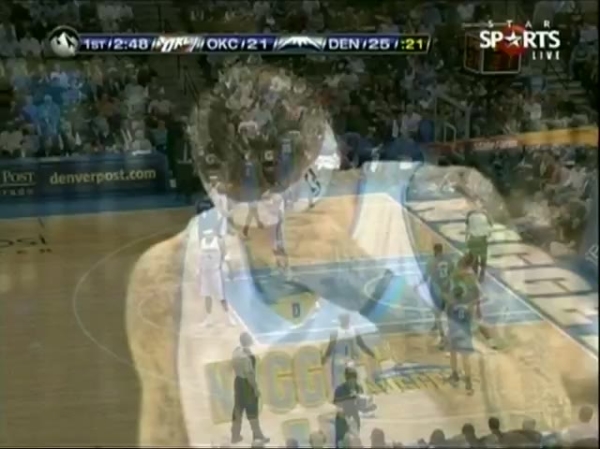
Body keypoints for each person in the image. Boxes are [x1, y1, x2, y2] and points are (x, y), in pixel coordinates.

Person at [125, 63, 585, 446]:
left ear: (327, 166)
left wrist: (387, 299)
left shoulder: (438, 216)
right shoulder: (168, 279)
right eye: (252, 222)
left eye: (295, 209)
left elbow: (545, 409)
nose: (277, 237)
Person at [322, 313, 377, 410]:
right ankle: (358, 403)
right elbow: (361, 344)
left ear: (340, 320)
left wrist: (324, 358)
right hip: (349, 361)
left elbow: (330, 348)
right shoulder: (354, 330)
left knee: (340, 383)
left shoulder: (336, 332)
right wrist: (370, 352)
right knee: (354, 382)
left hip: (339, 361)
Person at [231, 332, 269, 445]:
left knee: (238, 409)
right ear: (247, 341)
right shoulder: (246, 357)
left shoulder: (236, 351)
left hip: (238, 382)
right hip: (247, 384)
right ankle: (257, 436)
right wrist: (255, 388)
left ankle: (235, 435)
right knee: (252, 411)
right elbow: (250, 374)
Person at [414, 243, 454, 348]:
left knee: (437, 314)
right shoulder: (449, 260)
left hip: (437, 291)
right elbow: (453, 274)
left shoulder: (431, 262)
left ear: (434, 251)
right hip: (448, 289)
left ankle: (443, 338)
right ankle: (448, 334)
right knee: (449, 315)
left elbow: (426, 276)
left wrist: (418, 284)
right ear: (442, 250)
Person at [197, 222, 236, 327]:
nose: (208, 235)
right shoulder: (202, 242)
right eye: (206, 233)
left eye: (210, 233)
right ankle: (209, 319)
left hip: (215, 273)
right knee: (207, 295)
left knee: (221, 296)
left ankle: (229, 318)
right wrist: (199, 270)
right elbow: (200, 258)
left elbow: (226, 256)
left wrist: (231, 270)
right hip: (205, 273)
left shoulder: (219, 242)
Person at [445, 283, 476, 394]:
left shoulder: (450, 305)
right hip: (465, 333)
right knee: (465, 359)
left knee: (453, 354)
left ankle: (455, 376)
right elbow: (471, 319)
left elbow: (449, 320)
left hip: (454, 332)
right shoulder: (469, 305)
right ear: (463, 294)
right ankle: (468, 383)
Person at [333, 366, 364, 447]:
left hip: (354, 419)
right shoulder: (339, 390)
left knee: (355, 441)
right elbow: (337, 407)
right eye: (349, 378)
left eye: (353, 378)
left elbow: (362, 405)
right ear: (346, 379)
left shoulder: (358, 388)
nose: (352, 381)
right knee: (341, 442)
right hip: (342, 420)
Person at [465, 206, 493, 281]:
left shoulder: (470, 216)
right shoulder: (485, 216)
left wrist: (466, 239)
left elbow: (467, 226)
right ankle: (482, 274)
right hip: (482, 239)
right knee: (483, 258)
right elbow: (491, 225)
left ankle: (475, 273)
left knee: (475, 258)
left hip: (473, 239)